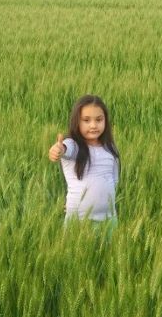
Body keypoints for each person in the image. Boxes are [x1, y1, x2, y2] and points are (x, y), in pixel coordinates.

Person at [48, 95, 120, 233]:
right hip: (78, 221)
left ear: (105, 120)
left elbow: (114, 180)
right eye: (86, 120)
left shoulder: (111, 149)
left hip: (109, 220)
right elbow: (64, 149)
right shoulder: (74, 145)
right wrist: (58, 149)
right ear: (77, 122)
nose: (93, 125)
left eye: (99, 120)